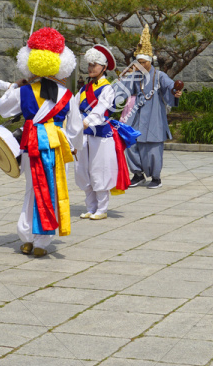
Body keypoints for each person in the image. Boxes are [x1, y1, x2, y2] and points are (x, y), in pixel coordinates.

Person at [0, 27, 82, 257]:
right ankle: (42, 241)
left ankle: (26, 238)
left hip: (30, 145)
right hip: (54, 147)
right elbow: (75, 128)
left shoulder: (23, 91)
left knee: (31, 191)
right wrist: (74, 148)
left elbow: (1, 109)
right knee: (50, 191)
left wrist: (16, 85)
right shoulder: (67, 94)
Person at [75, 45, 139, 220]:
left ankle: (101, 209)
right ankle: (90, 207)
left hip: (100, 134)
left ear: (103, 68)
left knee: (99, 170)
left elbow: (102, 110)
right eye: (89, 65)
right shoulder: (83, 89)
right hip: (84, 134)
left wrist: (86, 121)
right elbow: (74, 109)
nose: (90, 68)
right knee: (83, 170)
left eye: (94, 65)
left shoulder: (108, 88)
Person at [119, 25, 182, 189]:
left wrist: (175, 91)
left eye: (143, 62)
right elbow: (123, 89)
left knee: (153, 148)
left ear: (150, 61)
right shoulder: (135, 76)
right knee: (131, 143)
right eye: (138, 62)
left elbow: (170, 86)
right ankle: (138, 174)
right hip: (136, 115)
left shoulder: (160, 75)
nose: (141, 65)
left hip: (154, 115)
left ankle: (156, 177)